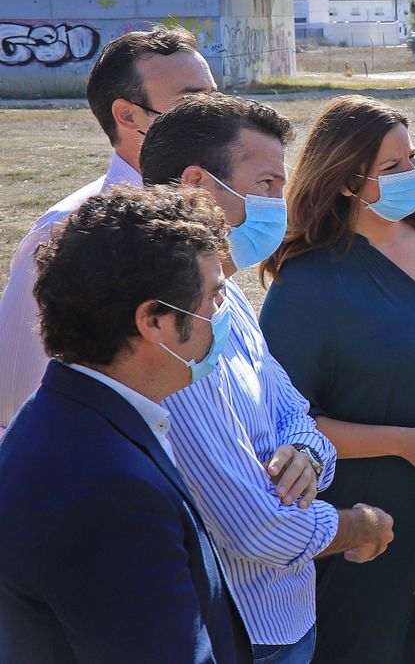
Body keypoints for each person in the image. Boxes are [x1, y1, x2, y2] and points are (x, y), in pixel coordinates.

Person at [141, 95, 396, 664]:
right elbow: (259, 531)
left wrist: (305, 449)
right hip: (238, 633)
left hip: (283, 616)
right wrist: (363, 526)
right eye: (265, 183)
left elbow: (296, 415)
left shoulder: (227, 293)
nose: (279, 205)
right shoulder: (170, 331)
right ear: (199, 185)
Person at [259, 95, 415, 664]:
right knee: (366, 640)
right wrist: (402, 443)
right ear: (345, 181)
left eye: (412, 158)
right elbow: (284, 423)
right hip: (372, 500)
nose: (411, 175)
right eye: (391, 168)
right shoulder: (307, 280)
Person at [0, 185, 250, 663]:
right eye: (213, 299)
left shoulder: (69, 414)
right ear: (153, 321)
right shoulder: (105, 490)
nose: (223, 316)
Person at [0, 26, 216, 433]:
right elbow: (16, 400)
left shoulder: (209, 214)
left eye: (217, 98)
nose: (218, 115)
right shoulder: (66, 232)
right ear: (128, 115)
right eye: (193, 103)